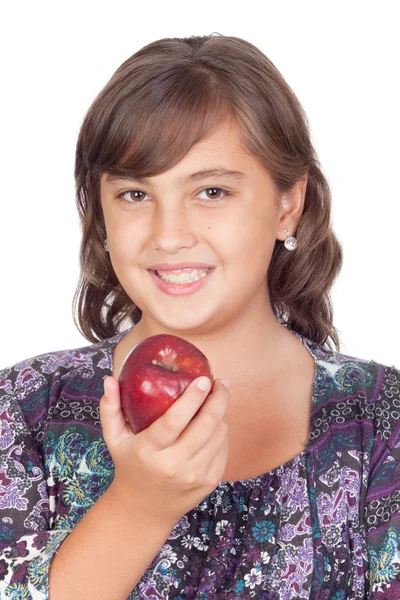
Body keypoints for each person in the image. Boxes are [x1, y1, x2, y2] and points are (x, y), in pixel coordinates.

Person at [0, 33, 399, 600]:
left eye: (211, 191)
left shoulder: (381, 422)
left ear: (288, 205)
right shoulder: (23, 411)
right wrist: (138, 506)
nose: (169, 235)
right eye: (136, 195)